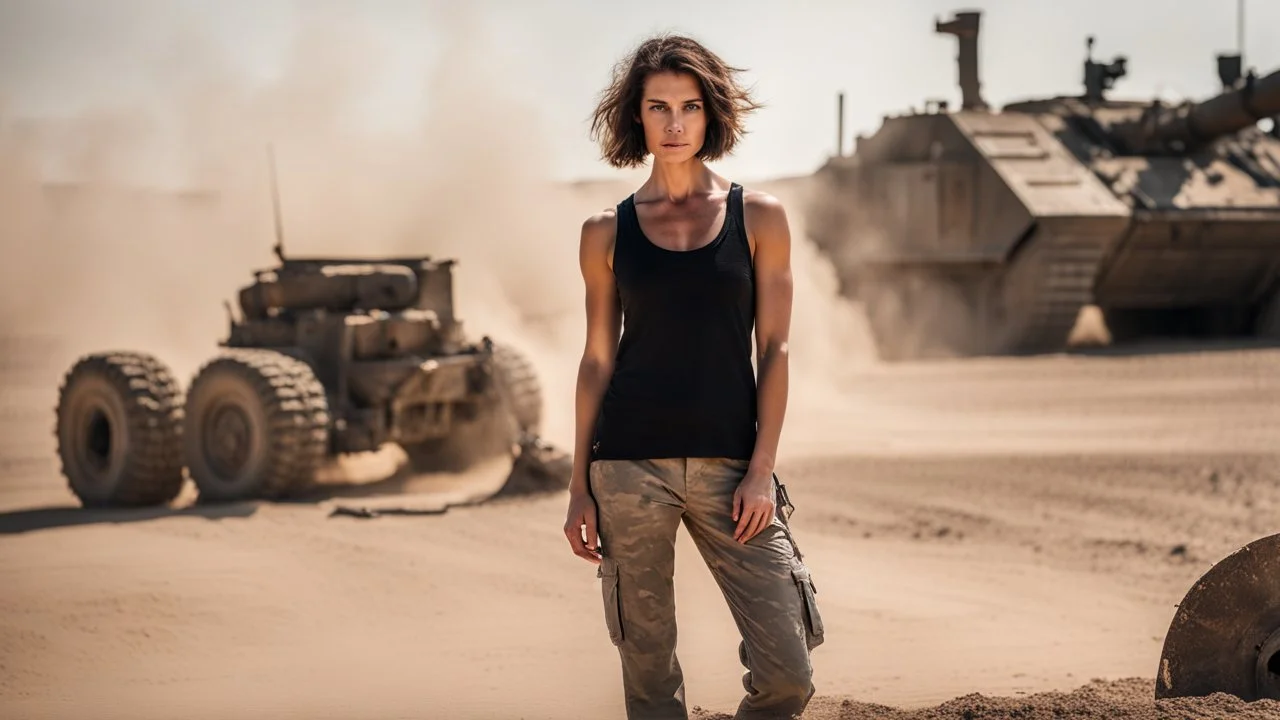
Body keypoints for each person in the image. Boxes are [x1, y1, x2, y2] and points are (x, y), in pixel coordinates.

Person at [562, 33, 825, 720]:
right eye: (658, 108)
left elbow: (776, 350)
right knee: (650, 684)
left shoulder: (760, 216)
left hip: (733, 470)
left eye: (689, 107)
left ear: (711, 115)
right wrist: (577, 487)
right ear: (636, 118)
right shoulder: (605, 231)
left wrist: (762, 468)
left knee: (788, 675)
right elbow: (596, 360)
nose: (674, 124)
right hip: (626, 468)